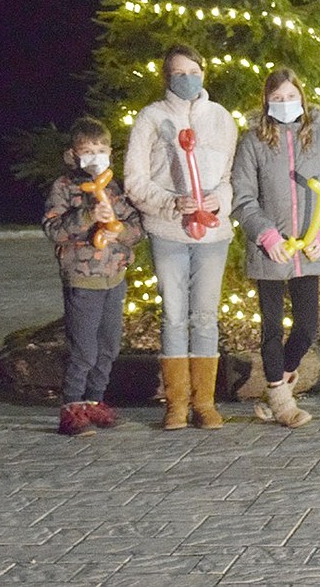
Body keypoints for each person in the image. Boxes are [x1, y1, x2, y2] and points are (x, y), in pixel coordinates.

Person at [124, 44, 237, 430]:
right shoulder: (151, 119)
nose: (187, 78)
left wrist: (217, 203)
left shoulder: (221, 118)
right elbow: (135, 180)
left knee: (205, 317)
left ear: (204, 72)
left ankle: (204, 402)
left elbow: (229, 179)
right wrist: (173, 203)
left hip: (213, 234)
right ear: (167, 78)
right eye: (178, 73)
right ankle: (175, 404)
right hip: (169, 231)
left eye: (194, 71)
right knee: (174, 317)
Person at [232, 67, 320, 429]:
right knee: (272, 327)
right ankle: (280, 399)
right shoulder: (253, 142)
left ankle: (279, 382)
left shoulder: (319, 138)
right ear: (266, 102)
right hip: (270, 251)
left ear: (302, 99)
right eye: (278, 99)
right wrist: (266, 235)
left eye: (291, 97)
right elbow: (243, 197)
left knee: (307, 327)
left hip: (307, 252)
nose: (285, 104)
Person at [43, 117, 145, 436]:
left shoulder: (116, 188)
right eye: (88, 151)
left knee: (109, 345)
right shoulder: (65, 186)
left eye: (101, 149)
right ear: (73, 154)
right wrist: (87, 216)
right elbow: (53, 229)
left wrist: (121, 233)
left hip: (113, 276)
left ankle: (94, 400)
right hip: (82, 278)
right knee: (83, 347)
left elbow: (137, 227)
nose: (95, 156)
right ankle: (71, 406)